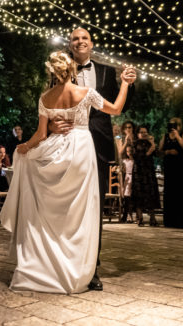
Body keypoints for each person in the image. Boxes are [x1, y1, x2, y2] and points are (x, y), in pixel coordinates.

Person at [0, 50, 134, 294]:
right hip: (81, 151)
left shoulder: (45, 97)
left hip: (55, 152)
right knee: (79, 212)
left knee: (53, 211)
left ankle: (50, 265)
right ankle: (77, 268)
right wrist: (124, 84)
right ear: (71, 70)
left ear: (51, 72)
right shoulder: (86, 93)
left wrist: (24, 147)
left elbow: (40, 135)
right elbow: (115, 109)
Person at [47, 27, 136, 291]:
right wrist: (51, 127)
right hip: (64, 146)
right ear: (70, 44)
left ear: (91, 43)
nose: (80, 41)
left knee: (92, 209)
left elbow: (121, 107)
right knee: (65, 206)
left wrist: (128, 83)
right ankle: (62, 261)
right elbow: (48, 106)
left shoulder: (108, 72)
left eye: (84, 37)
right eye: (75, 38)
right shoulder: (60, 70)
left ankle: (90, 268)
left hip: (96, 147)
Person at [159, 117, 183, 227]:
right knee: (169, 191)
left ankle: (179, 220)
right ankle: (169, 220)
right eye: (170, 125)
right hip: (168, 165)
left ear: (179, 126)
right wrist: (167, 151)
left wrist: (177, 135)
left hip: (180, 166)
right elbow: (160, 150)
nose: (172, 127)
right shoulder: (165, 136)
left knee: (179, 191)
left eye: (174, 125)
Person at [132, 125, 160, 226]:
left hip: (149, 172)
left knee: (151, 193)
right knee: (139, 194)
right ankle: (140, 218)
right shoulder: (135, 144)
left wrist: (152, 144)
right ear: (138, 134)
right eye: (142, 132)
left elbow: (157, 154)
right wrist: (149, 151)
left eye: (146, 132)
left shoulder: (149, 143)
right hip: (139, 172)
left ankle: (153, 218)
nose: (144, 134)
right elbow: (138, 157)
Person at [119, 144, 135, 223]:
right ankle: (126, 215)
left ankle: (130, 216)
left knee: (131, 199)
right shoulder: (125, 161)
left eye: (131, 151)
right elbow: (122, 169)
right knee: (126, 198)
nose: (129, 153)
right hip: (127, 179)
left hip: (134, 178)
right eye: (128, 151)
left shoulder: (135, 161)